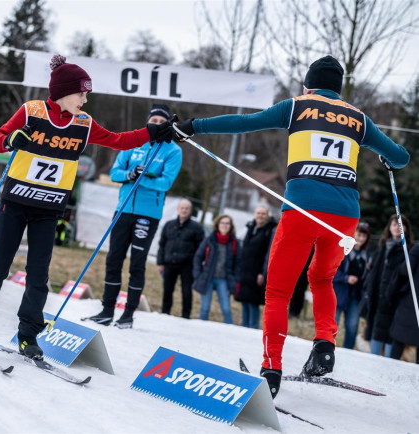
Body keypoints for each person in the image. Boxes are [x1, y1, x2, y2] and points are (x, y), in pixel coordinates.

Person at [172, 55, 410, 398]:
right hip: (346, 219)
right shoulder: (359, 118)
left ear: (308, 84)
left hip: (302, 211)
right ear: (338, 90)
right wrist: (387, 156)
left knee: (278, 292)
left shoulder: (297, 105)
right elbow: (401, 157)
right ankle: (325, 345)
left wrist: (194, 126)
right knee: (323, 278)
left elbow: (244, 122)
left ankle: (271, 369)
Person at [0, 54, 175, 359]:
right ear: (63, 92)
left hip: (49, 208)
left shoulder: (84, 123)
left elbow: (119, 140)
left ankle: (27, 336)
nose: (85, 101)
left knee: (38, 275)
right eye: (82, 94)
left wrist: (153, 133)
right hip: (16, 202)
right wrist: (11, 140)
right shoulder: (31, 111)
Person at [85, 103, 183, 328]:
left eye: (161, 121)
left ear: (167, 124)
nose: (156, 124)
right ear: (147, 122)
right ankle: (107, 310)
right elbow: (114, 172)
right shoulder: (133, 144)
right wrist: (130, 173)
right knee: (113, 259)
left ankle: (128, 314)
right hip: (123, 209)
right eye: (153, 120)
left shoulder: (173, 150)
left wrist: (142, 177)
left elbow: (165, 182)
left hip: (147, 215)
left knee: (137, 264)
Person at [363, 215, 412, 357]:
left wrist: (397, 292)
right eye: (394, 224)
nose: (397, 227)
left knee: (392, 336)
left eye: (401, 225)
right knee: (376, 332)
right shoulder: (381, 248)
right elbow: (373, 273)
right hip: (378, 299)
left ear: (407, 229)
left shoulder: (408, 250)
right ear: (389, 228)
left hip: (395, 301)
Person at [156, 199, 205, 319]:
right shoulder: (169, 225)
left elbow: (201, 248)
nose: (184, 210)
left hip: (187, 265)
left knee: (186, 291)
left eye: (187, 208)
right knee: (167, 290)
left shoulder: (197, 227)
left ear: (190, 211)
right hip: (169, 263)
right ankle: (165, 313)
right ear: (178, 209)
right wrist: (160, 262)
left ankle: (185, 316)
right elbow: (162, 244)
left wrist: (197, 264)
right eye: (182, 208)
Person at [235, 205, 277, 329]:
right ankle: (244, 326)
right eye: (258, 213)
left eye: (263, 214)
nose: (260, 216)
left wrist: (263, 273)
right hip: (245, 270)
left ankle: (253, 328)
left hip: (257, 272)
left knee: (253, 302)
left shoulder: (269, 231)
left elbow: (268, 253)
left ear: (267, 216)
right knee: (244, 300)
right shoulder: (250, 227)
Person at [193, 214, 239, 325]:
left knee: (226, 309)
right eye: (222, 223)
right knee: (205, 308)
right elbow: (198, 257)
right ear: (217, 224)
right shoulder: (209, 239)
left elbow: (238, 263)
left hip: (223, 279)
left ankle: (230, 331)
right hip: (208, 278)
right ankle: (201, 329)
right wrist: (198, 275)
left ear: (231, 226)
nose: (225, 225)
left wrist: (235, 279)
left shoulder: (234, 242)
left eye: (227, 223)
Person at [333, 222, 370, 349]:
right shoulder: (343, 250)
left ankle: (348, 352)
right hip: (339, 293)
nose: (361, 239)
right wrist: (346, 278)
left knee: (352, 326)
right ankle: (325, 349)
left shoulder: (366, 255)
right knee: (333, 325)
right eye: (359, 235)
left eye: (364, 237)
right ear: (354, 234)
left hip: (355, 296)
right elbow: (332, 270)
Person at [387, 242, 419, 363]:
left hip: (409, 302)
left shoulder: (417, 248)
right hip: (410, 304)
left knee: (398, 344)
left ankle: (391, 371)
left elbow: (405, 270)